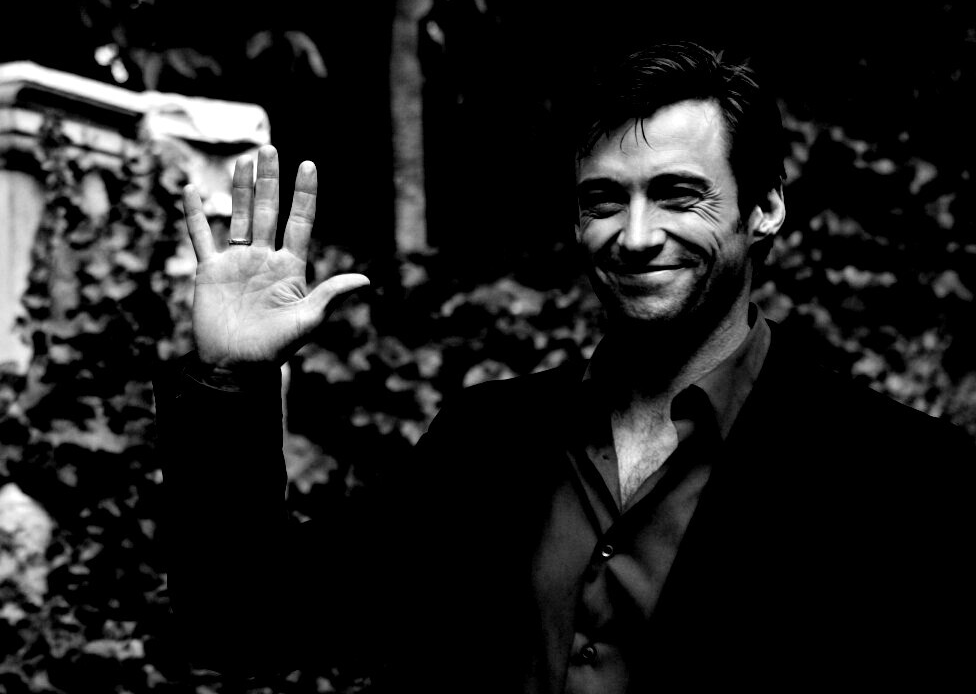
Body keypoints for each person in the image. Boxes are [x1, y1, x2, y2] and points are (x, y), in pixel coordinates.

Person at [158, 42, 976, 694]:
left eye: (679, 194)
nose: (636, 236)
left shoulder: (904, 476)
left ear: (764, 207)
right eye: (604, 201)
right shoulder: (485, 441)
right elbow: (241, 624)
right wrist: (230, 380)